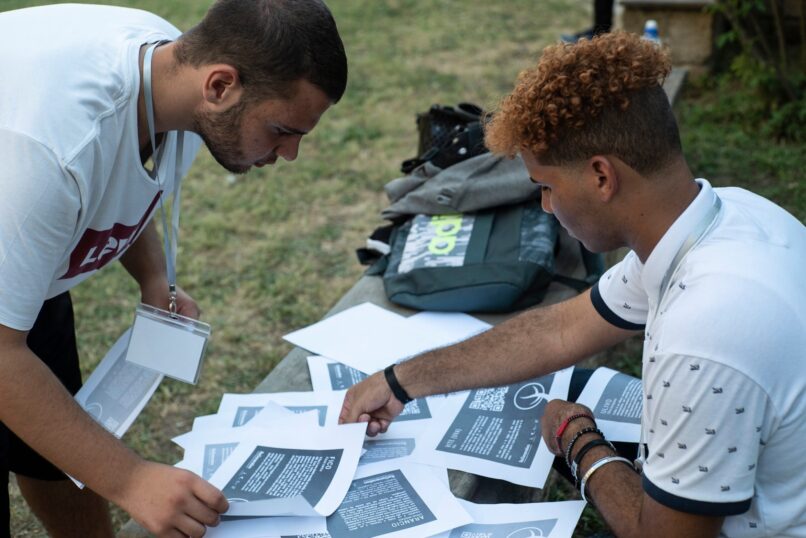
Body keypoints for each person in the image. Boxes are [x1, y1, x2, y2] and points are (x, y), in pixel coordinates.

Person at [340, 31, 806, 538]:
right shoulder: (725, 214)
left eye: (546, 187)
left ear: (601, 177)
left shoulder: (706, 328)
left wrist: (579, 441)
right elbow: (560, 330)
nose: (545, 206)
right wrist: (399, 382)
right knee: (556, 389)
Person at [0, 0, 346, 536]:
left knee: (52, 441)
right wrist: (131, 479)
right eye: (282, 129)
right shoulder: (48, 152)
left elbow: (121, 176)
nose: (291, 153)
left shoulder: (173, 70)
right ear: (220, 86)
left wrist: (153, 278)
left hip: (17, 252)